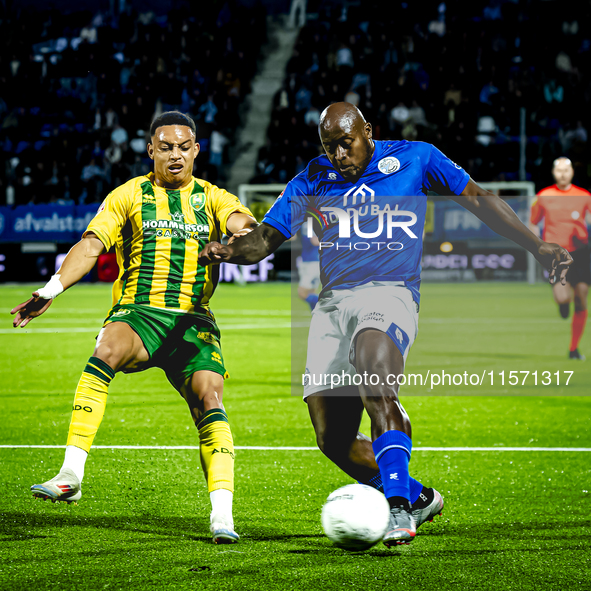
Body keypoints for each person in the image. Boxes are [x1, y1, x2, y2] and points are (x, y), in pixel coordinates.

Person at [198, 102, 572, 547]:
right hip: (332, 305)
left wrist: (536, 245)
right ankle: (419, 497)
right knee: (332, 437)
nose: (339, 155)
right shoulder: (312, 178)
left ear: (367, 132)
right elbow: (264, 240)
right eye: (330, 147)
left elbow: (476, 198)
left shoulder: (416, 158)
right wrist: (228, 251)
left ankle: (398, 510)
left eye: (346, 144)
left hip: (390, 292)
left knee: (376, 378)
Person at [11, 111, 257, 544]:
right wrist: (52, 288)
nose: (175, 155)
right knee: (105, 351)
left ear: (196, 150)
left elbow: (248, 230)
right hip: (138, 312)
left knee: (210, 398)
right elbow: (91, 244)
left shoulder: (215, 198)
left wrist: (235, 245)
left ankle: (222, 516)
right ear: (151, 150)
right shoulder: (129, 195)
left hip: (192, 320)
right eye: (166, 147)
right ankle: (71, 473)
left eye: (184, 147)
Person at [530, 157, 591, 360]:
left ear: (572, 172)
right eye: (559, 171)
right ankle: (564, 304)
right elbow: (533, 223)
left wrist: (584, 235)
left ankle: (574, 349)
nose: (563, 174)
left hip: (581, 253)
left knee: (581, 299)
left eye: (567, 170)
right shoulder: (544, 196)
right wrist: (537, 246)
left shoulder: (584, 196)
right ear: (553, 173)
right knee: (563, 298)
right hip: (556, 255)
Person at [297, 232, 320, 310]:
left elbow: (315, 241)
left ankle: (328, 303)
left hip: (312, 263)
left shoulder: (312, 224)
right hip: (311, 261)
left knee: (302, 293)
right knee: (311, 292)